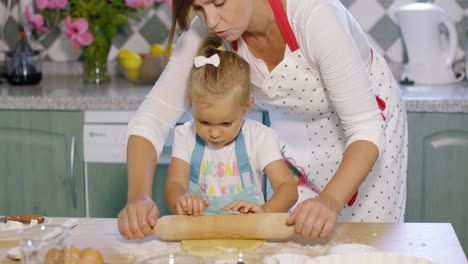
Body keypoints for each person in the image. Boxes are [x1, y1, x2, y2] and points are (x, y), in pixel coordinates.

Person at [118, 0, 408, 241]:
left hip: (366, 132)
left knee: (362, 244)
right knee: (295, 244)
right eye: (199, 7)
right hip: (295, 139)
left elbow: (365, 127)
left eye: (219, 3)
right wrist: (138, 197)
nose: (211, 19)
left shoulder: (315, 15)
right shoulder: (208, 26)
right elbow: (152, 118)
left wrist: (330, 200)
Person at [165, 31, 298, 216]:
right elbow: (175, 184)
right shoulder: (185, 135)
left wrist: (264, 211)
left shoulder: (259, 137)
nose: (214, 133)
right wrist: (181, 200)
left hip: (249, 232)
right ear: (190, 103)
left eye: (226, 124)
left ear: (246, 108)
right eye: (203, 122)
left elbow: (288, 189)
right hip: (199, 234)